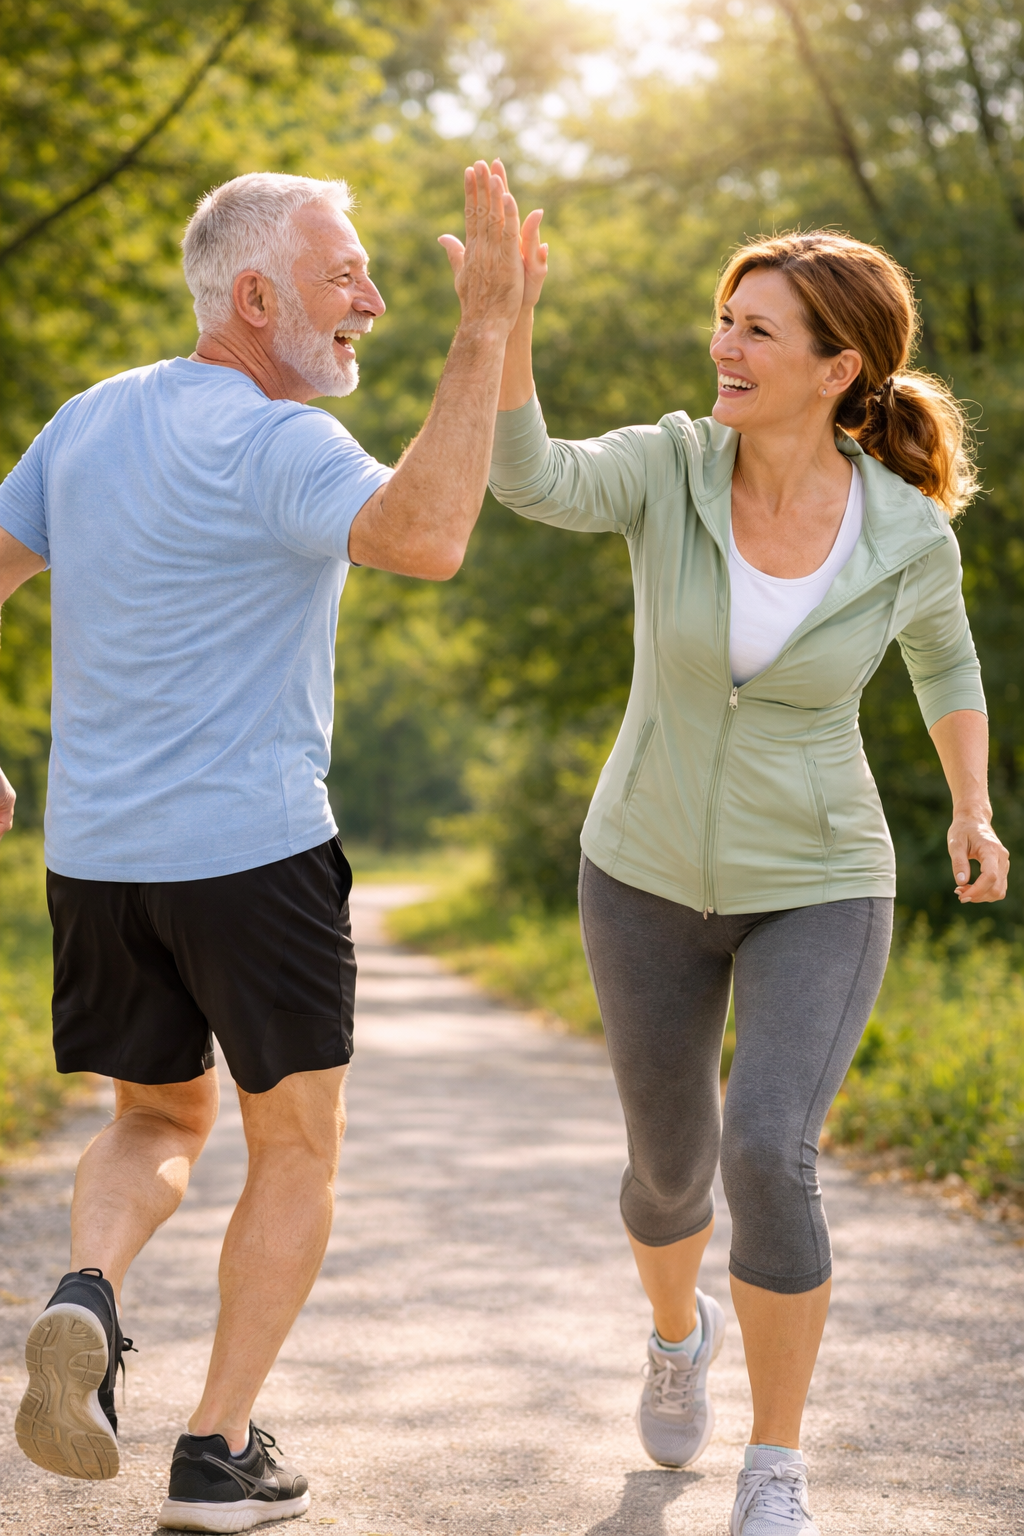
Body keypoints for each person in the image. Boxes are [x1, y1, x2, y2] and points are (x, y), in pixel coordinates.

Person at [0, 161, 540, 1533]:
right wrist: (486, 327)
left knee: (150, 1119)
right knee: (291, 1149)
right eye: (344, 273)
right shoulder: (279, 444)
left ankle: (88, 1295)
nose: (370, 299)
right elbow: (426, 534)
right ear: (255, 297)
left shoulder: (90, 418)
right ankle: (216, 1453)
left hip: (100, 857)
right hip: (254, 858)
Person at [488, 218, 1009, 1535]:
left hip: (822, 877)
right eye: (726, 319)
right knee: (670, 1172)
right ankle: (678, 1336)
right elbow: (534, 479)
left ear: (840, 367)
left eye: (757, 329)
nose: (725, 347)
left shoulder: (904, 533)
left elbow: (942, 664)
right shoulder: (669, 466)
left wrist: (970, 808)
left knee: (769, 1151)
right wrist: (506, 322)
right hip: (644, 867)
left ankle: (776, 1463)